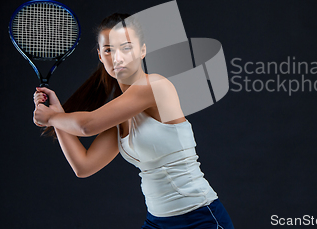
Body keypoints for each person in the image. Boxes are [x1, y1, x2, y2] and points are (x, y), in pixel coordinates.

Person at [33, 13, 234, 229]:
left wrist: (54, 117)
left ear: (142, 50)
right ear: (100, 56)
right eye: (109, 50)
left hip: (200, 219)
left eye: (126, 48)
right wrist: (56, 116)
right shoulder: (121, 114)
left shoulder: (154, 86)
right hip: (157, 222)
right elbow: (83, 166)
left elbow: (87, 126)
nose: (117, 58)